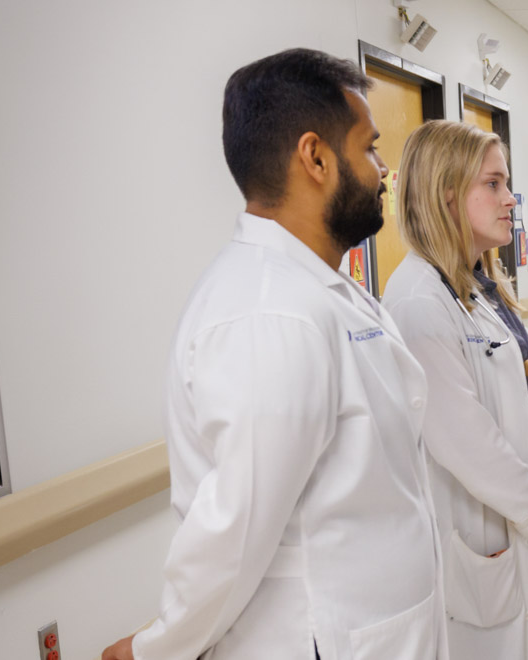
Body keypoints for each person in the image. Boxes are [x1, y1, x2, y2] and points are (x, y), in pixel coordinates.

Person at [102, 48, 441, 660]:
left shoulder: (320, 289)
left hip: (373, 629)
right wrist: (153, 649)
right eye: (368, 148)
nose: (383, 168)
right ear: (314, 157)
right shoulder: (270, 313)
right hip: (319, 637)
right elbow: (236, 529)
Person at [382, 120, 528, 660]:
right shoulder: (417, 301)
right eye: (493, 184)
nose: (511, 199)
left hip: (527, 520)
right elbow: (464, 441)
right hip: (486, 535)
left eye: (507, 184)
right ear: (446, 194)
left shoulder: (481, 285)